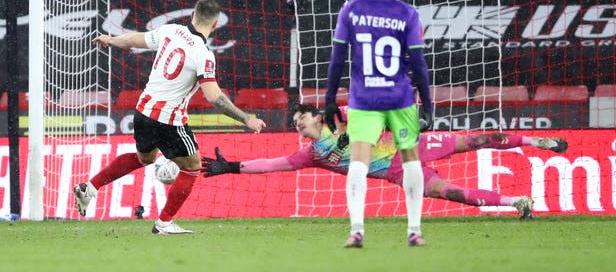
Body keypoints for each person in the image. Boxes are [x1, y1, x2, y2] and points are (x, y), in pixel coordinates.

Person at [73, 0, 266, 234]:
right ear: (215, 24)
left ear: (193, 15)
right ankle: (164, 223)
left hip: (143, 111)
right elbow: (215, 97)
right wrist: (247, 119)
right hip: (168, 119)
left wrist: (110, 39)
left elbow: (134, 39)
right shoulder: (203, 55)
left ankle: (89, 188)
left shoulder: (170, 31)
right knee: (193, 166)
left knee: (145, 158)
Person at [202, 103, 568, 219]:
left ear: (317, 117)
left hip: (412, 144)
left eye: (303, 115)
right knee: (452, 193)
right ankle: (517, 202)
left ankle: (540, 141)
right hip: (399, 173)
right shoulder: (311, 154)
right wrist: (232, 166)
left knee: (477, 139)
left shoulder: (341, 117)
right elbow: (272, 164)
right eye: (295, 119)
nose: (297, 121)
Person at [324, 0, 433, 248]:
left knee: (359, 161)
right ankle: (414, 231)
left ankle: (357, 230)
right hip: (400, 97)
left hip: (363, 98)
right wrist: (428, 104)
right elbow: (419, 64)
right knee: (411, 160)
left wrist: (330, 99)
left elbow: (337, 59)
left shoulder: (351, 9)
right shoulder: (408, 14)